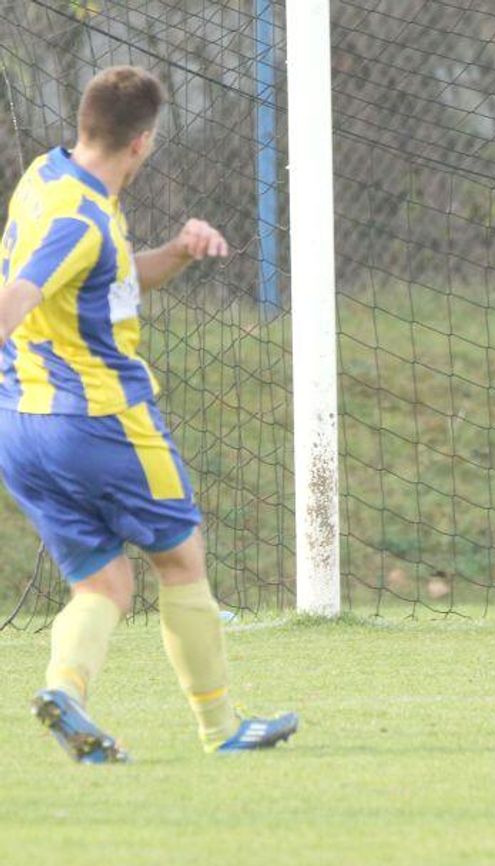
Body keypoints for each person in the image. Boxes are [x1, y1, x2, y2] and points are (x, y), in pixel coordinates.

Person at [0, 66, 298, 760]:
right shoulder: (81, 219)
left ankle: (65, 693)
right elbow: (19, 295)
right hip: (101, 422)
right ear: (142, 141)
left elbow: (105, 275)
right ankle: (221, 729)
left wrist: (179, 252)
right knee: (182, 559)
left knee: (104, 582)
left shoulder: (48, 177)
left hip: (20, 426)